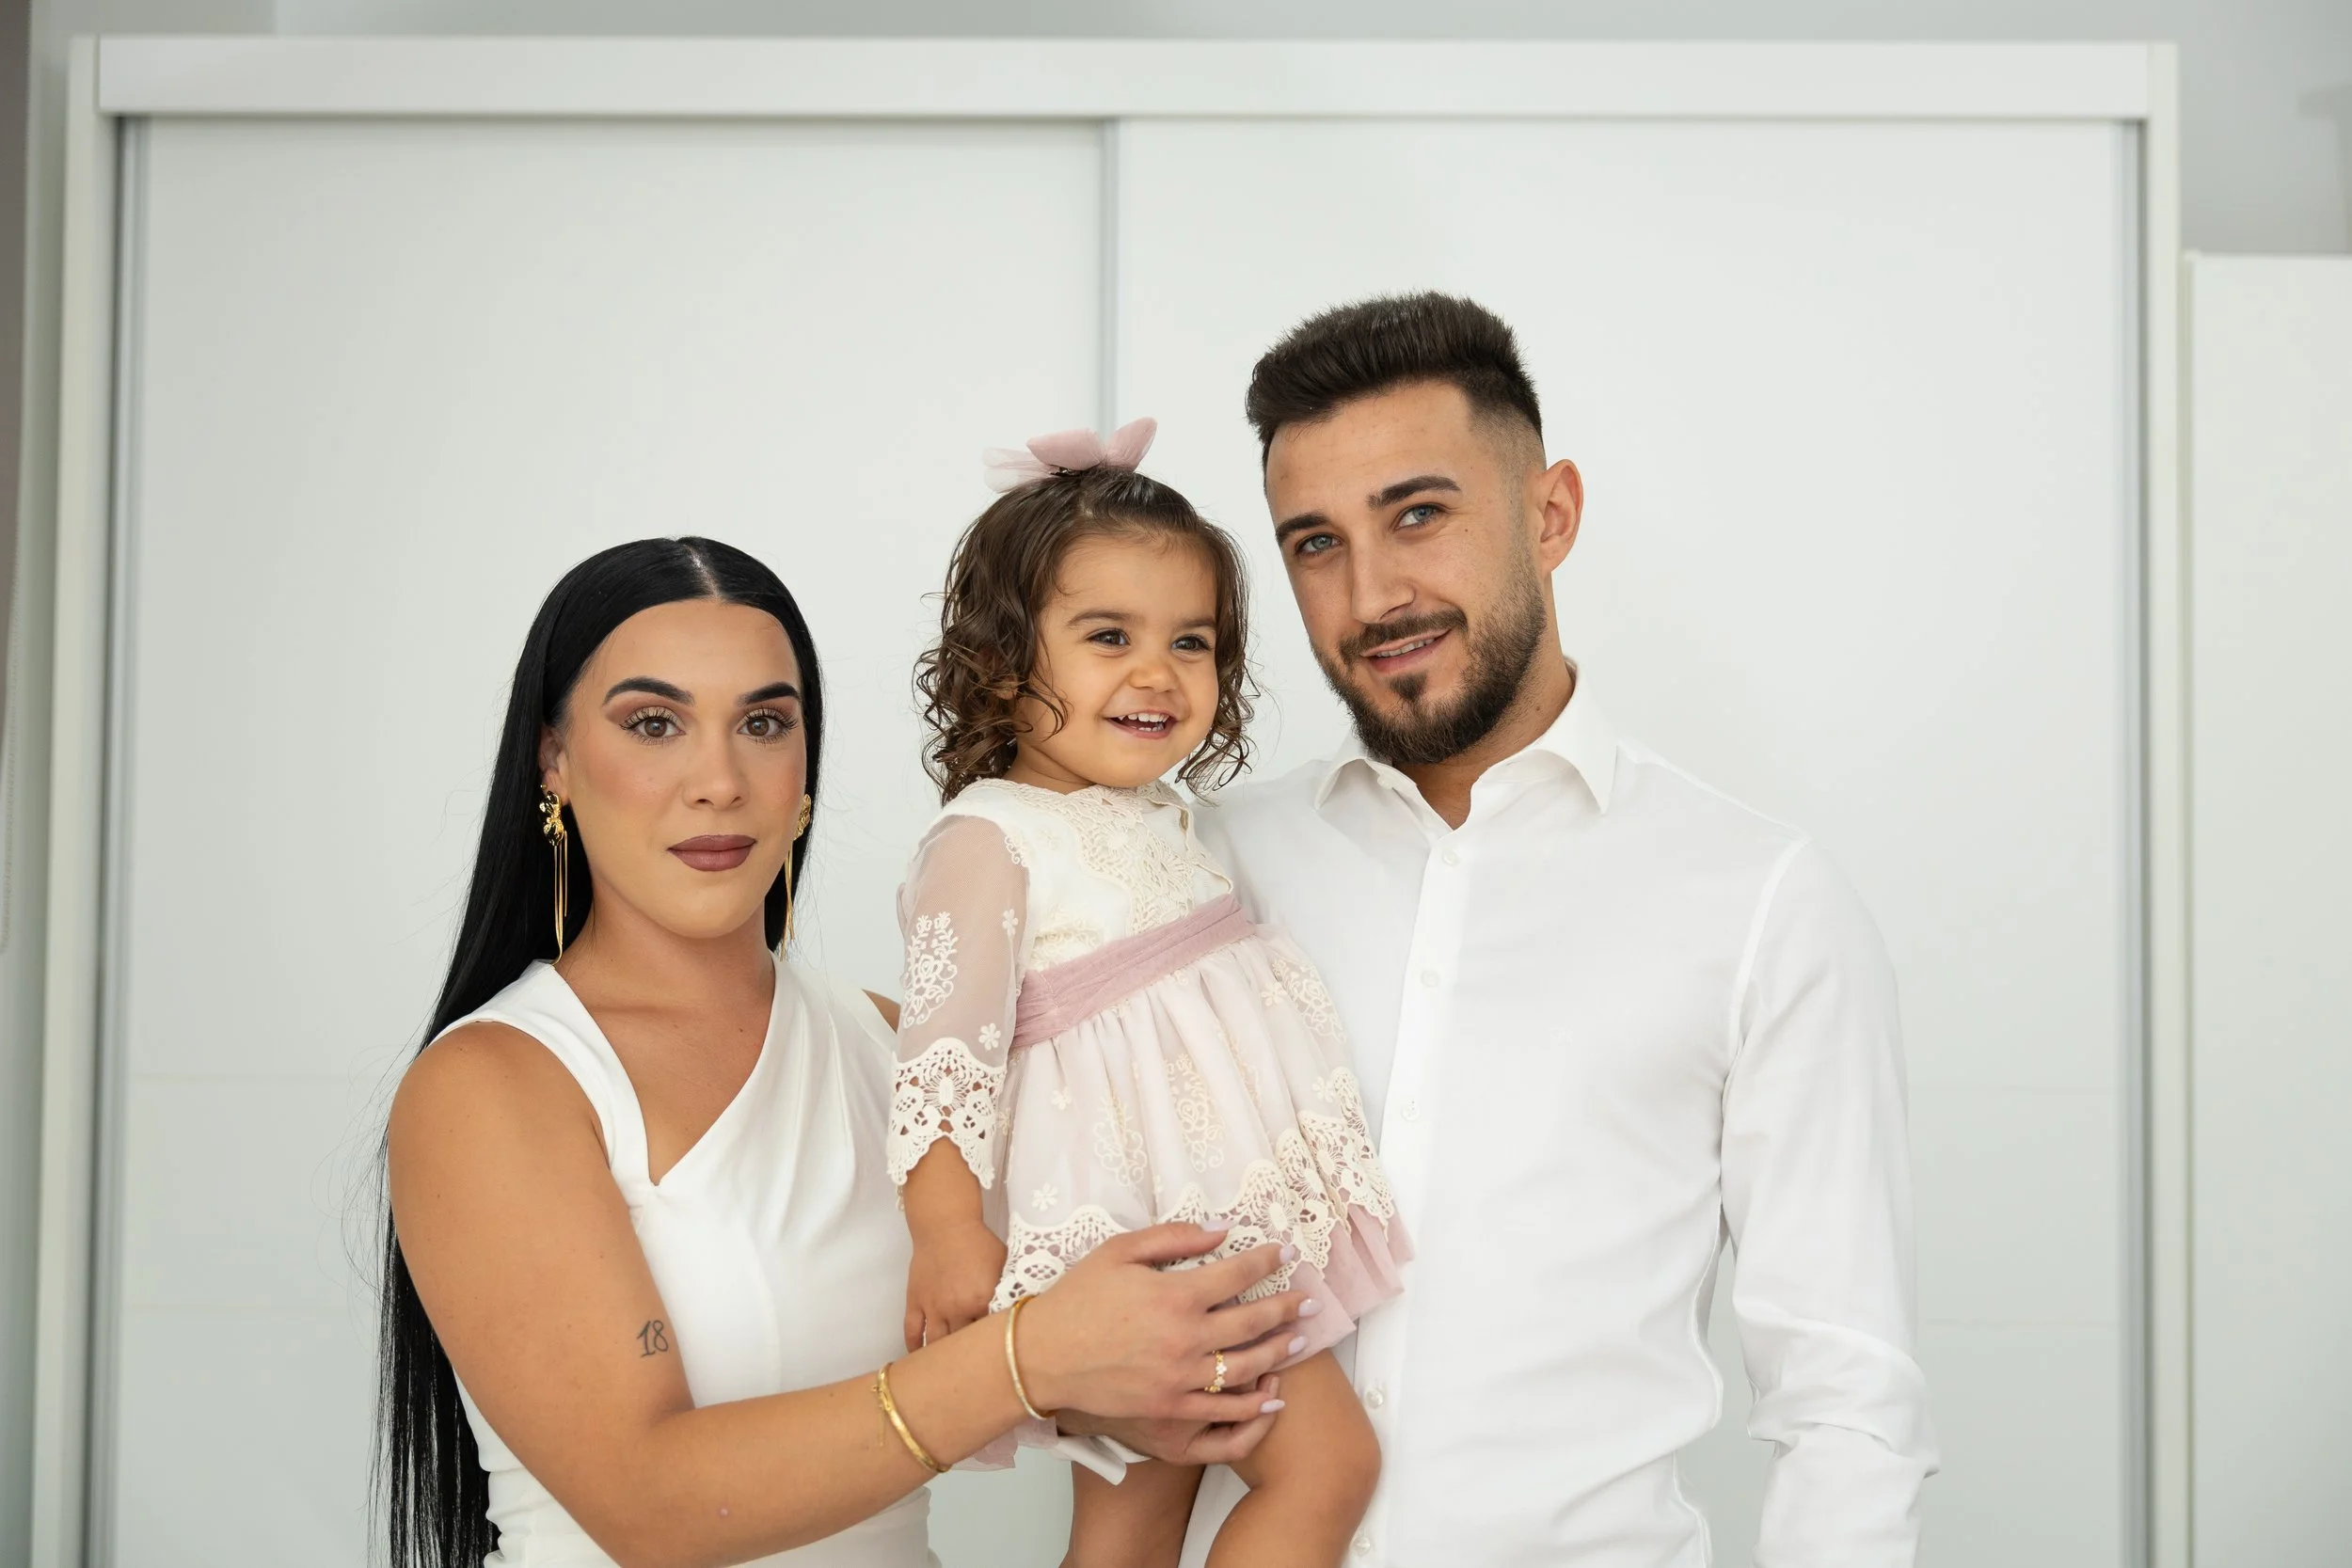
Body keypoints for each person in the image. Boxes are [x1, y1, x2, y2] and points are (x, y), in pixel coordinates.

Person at [1172, 294, 1940, 1564]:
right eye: (1316, 542)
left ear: (1552, 513)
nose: (1371, 594)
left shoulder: (1760, 903)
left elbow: (1844, 1398)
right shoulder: (1209, 867)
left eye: (1419, 514)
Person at [378, 536, 1308, 1568]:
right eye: (654, 723)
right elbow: (648, 1504)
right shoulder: (496, 1083)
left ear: (806, 763)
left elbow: (1089, 1338)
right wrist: (1029, 1360)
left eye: (764, 723)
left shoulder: (898, 1053)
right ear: (553, 759)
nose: (720, 780)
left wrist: (1154, 1390)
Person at [885, 425, 1406, 1568]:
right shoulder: (990, 836)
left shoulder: (1158, 817)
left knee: (1132, 1526)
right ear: (1004, 657)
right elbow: (942, 1055)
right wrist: (944, 1229)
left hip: (1175, 1219)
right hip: (1141, 1244)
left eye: (1191, 641)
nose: (1157, 672)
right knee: (1327, 1462)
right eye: (1107, 636)